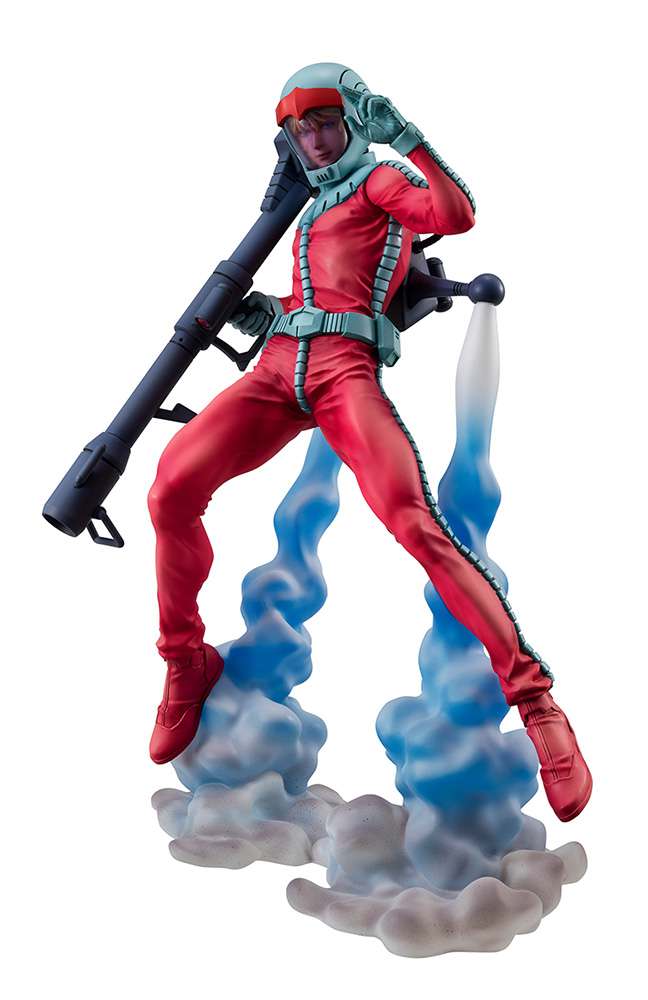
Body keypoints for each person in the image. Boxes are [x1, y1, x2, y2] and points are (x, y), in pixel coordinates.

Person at [147, 63, 592, 823]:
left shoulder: (379, 182)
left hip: (343, 375)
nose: (314, 141)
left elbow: (453, 215)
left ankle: (536, 701)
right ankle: (185, 660)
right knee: (170, 491)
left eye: (325, 123)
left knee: (417, 524)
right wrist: (269, 312)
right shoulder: (310, 204)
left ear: (355, 119)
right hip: (277, 370)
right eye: (299, 130)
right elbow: (319, 292)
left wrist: (406, 137)